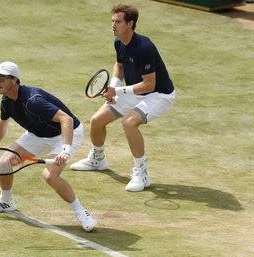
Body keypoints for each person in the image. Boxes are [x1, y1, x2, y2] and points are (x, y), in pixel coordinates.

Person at [0, 61, 97, 232]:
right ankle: (6, 201)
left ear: (15, 80)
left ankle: (81, 211)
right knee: (4, 163)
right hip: (37, 135)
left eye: (2, 78)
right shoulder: (6, 101)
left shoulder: (33, 101)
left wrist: (65, 150)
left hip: (65, 134)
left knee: (50, 176)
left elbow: (67, 120)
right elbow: (1, 128)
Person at [70, 4, 176, 192]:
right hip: (135, 92)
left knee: (129, 122)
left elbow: (149, 85)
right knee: (96, 121)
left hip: (158, 95)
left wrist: (117, 93)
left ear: (130, 24)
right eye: (112, 21)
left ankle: (142, 174)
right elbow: (119, 66)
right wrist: (113, 86)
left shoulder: (144, 47)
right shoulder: (119, 42)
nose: (113, 25)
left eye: (118, 22)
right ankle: (98, 159)